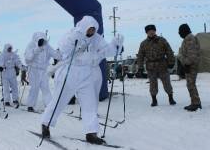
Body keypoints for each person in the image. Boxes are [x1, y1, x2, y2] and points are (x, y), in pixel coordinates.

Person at [41, 16, 123, 144]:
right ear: (84, 27)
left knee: (90, 104)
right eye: (89, 29)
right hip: (70, 72)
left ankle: (91, 133)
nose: (91, 32)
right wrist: (73, 40)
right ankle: (46, 124)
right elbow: (63, 48)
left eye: (93, 29)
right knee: (59, 101)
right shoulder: (72, 34)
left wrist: (117, 46)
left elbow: (107, 50)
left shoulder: (96, 38)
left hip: (86, 73)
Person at [137, 24, 176, 107]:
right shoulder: (143, 44)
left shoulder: (162, 40)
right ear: (146, 33)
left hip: (162, 65)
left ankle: (171, 98)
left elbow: (169, 51)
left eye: (152, 30)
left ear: (155, 31)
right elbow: (140, 56)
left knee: (167, 83)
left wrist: (171, 62)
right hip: (151, 67)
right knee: (153, 84)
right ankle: (154, 100)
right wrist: (140, 67)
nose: (151, 32)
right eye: (149, 31)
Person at [24, 32, 62, 112]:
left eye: (44, 40)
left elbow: (55, 54)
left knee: (45, 88)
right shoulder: (31, 45)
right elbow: (28, 58)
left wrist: (61, 53)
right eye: (41, 40)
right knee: (34, 88)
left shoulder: (47, 46)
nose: (43, 42)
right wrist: (37, 49)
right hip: (34, 70)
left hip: (44, 70)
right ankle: (30, 105)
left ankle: (50, 105)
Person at [177, 24, 202, 111]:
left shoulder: (190, 39)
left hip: (191, 66)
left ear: (184, 31)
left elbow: (191, 55)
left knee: (191, 84)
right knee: (190, 84)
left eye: (180, 32)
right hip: (190, 65)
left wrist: (186, 64)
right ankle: (195, 102)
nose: (179, 34)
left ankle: (196, 103)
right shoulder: (188, 38)